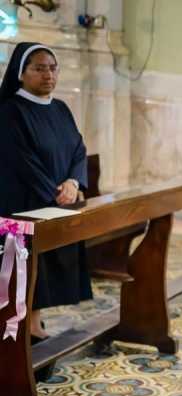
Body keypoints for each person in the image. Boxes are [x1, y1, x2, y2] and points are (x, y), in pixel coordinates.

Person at [0, 42, 91, 345]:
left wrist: (74, 183)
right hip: (22, 205)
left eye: (52, 68)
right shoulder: (10, 111)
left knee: (46, 269)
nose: (48, 75)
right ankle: (25, 331)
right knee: (25, 269)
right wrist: (55, 193)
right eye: (39, 68)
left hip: (55, 204)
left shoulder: (60, 108)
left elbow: (78, 149)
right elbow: (20, 160)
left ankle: (34, 326)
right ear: (21, 73)